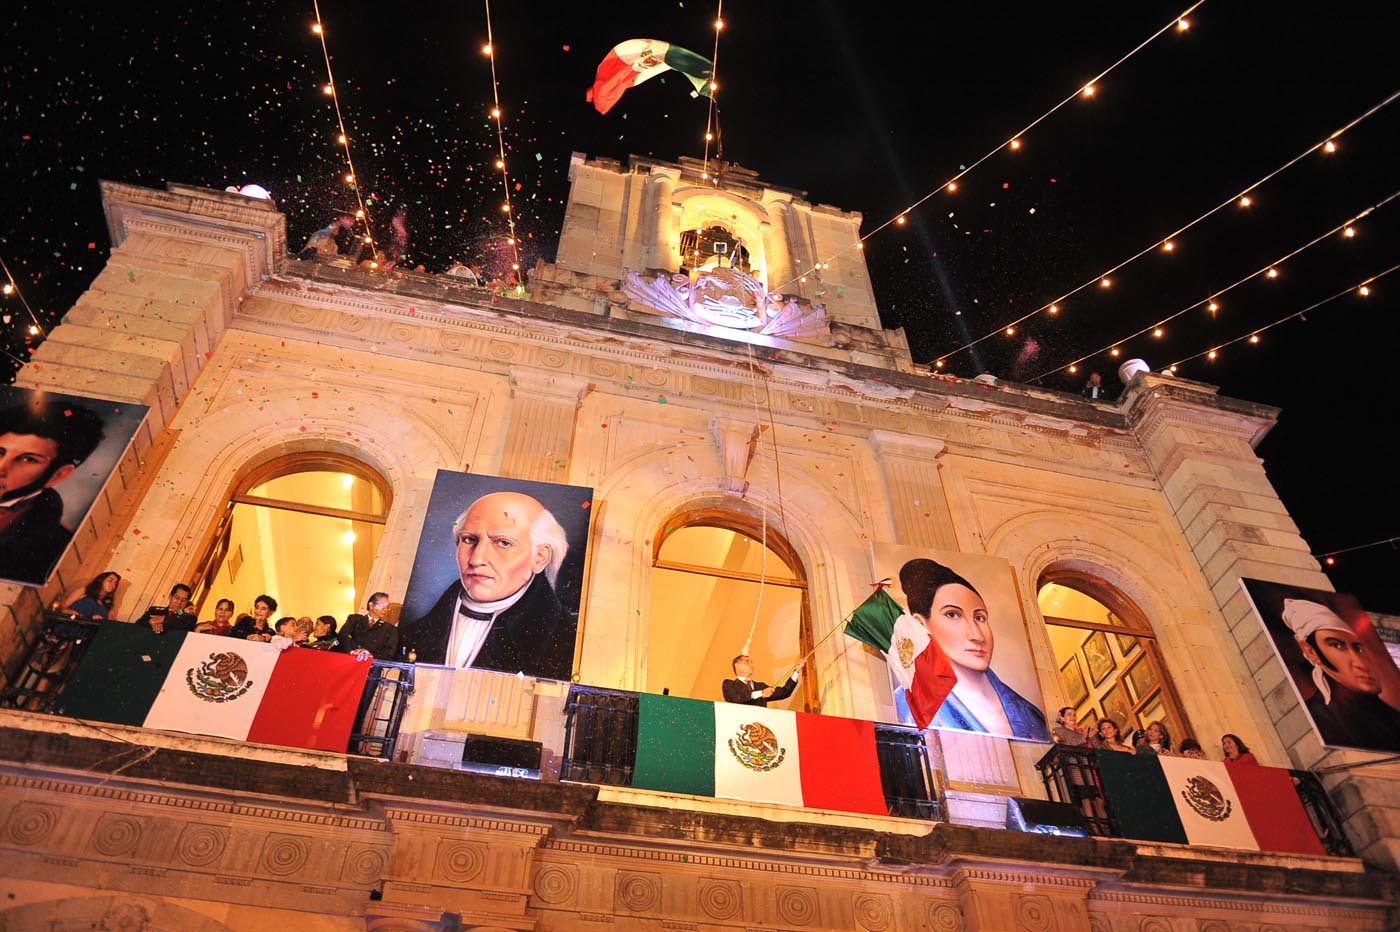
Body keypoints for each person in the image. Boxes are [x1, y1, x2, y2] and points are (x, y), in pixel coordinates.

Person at [400, 491, 577, 679]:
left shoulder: (562, 637)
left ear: (540, 558)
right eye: (469, 539)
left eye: (503, 543)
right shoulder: (415, 633)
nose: (476, 559)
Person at [896, 558, 1049, 740]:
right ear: (921, 625)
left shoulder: (1029, 714)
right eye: (952, 615)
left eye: (980, 617)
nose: (977, 635)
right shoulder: (910, 704)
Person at [0, 400, 106, 585]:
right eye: (0, 452)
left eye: (28, 459)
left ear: (59, 475)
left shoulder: (52, 549)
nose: (1, 468)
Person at [1281, 597, 1400, 751]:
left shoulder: (1388, 714)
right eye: (1337, 645)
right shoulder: (1322, 717)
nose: (1361, 663)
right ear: (1310, 651)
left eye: (1358, 648)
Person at [1050, 707, 1100, 817]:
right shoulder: (1058, 730)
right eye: (1069, 714)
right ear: (1062, 718)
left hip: (1088, 768)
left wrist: (1092, 737)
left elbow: (1096, 749)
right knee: (1085, 799)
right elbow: (1068, 744)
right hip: (1075, 768)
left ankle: (1106, 829)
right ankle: (1093, 829)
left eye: (1074, 714)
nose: (1073, 717)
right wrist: (1085, 736)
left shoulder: (1080, 732)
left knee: (1097, 799)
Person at [339, 592, 400, 661]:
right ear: (371, 605)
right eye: (382, 605)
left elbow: (389, 651)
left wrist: (370, 654)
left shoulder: (390, 629)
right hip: (349, 661)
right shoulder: (355, 619)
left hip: (371, 667)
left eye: (386, 607)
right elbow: (343, 635)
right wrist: (352, 651)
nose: (385, 609)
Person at [722, 653, 800, 706]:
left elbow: (784, 692)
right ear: (737, 665)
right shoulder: (729, 684)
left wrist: (796, 672)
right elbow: (735, 698)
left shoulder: (760, 686)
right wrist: (761, 693)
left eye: (751, 662)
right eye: (747, 662)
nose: (751, 664)